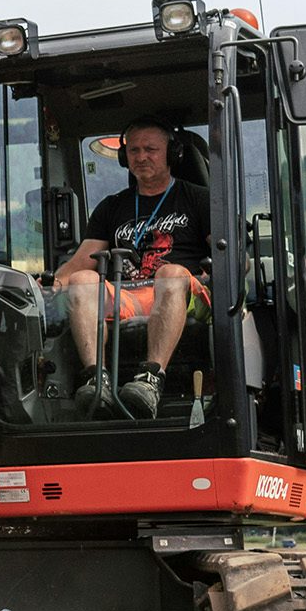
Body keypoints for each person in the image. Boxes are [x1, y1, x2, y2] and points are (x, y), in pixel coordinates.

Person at [50, 119, 210, 417]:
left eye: (151, 149)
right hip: (131, 294)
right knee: (84, 279)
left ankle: (152, 378)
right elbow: (80, 262)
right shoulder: (112, 207)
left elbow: (232, 253)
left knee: (170, 273)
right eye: (134, 150)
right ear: (125, 158)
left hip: (185, 292)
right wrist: (50, 284)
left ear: (172, 154)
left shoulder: (198, 199)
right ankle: (95, 379)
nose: (141, 156)